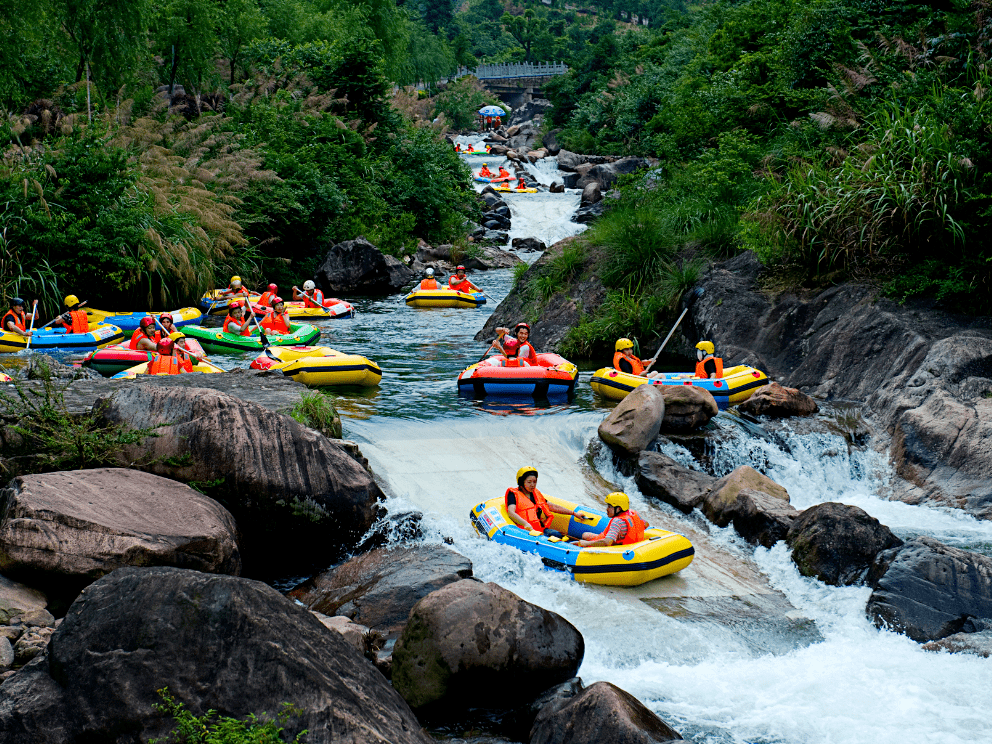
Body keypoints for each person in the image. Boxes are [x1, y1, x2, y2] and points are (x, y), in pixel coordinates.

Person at [505, 467, 583, 539]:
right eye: (529, 482)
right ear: (522, 482)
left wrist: (574, 513)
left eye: (534, 482)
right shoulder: (513, 494)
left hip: (539, 530)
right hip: (524, 532)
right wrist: (525, 524)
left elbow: (552, 506)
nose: (532, 485)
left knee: (557, 534)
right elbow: (511, 513)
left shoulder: (536, 493)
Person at [577, 492, 648, 548]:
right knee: (585, 535)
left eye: (610, 506)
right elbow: (646, 524)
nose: (607, 509)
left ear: (619, 508)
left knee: (584, 537)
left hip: (615, 548)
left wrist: (586, 543)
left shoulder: (617, 522)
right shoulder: (633, 514)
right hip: (630, 545)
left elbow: (607, 542)